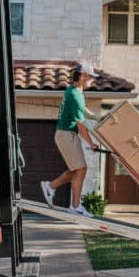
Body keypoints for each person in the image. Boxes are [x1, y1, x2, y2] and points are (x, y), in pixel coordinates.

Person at [41, 62, 100, 217]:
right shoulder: (76, 96)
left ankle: (52, 187)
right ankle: (74, 205)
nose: (92, 80)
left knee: (78, 170)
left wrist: (94, 116)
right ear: (83, 76)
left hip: (66, 134)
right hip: (66, 135)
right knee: (80, 169)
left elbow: (81, 109)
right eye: (91, 77)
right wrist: (91, 144)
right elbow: (81, 126)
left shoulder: (73, 90)